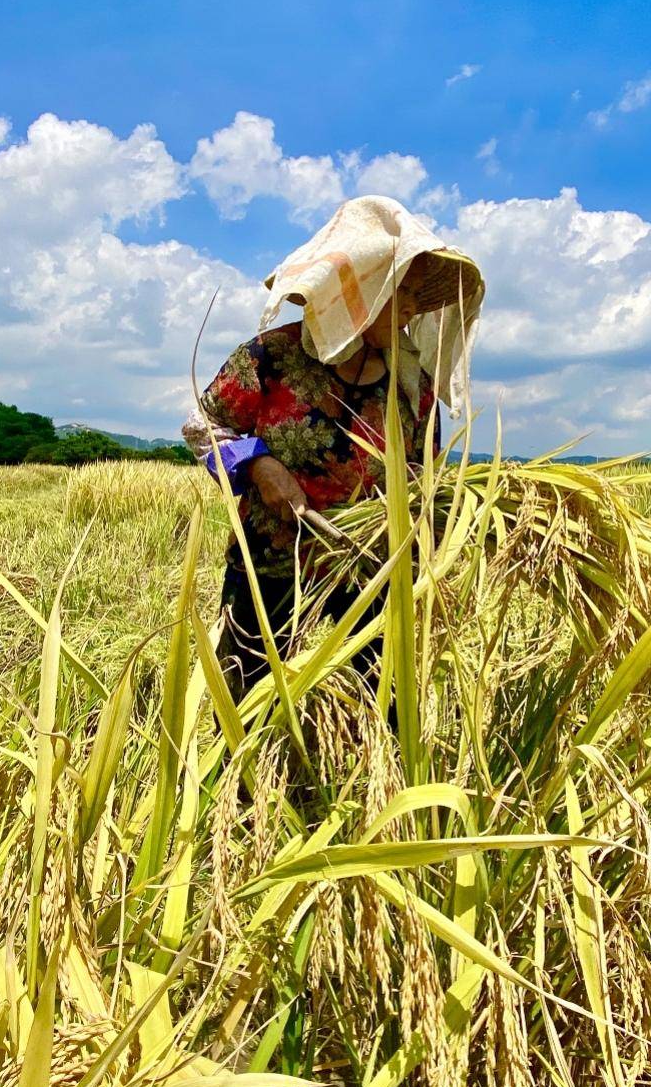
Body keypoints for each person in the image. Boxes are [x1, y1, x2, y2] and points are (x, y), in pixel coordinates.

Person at [183, 194, 484, 705]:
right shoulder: (272, 357)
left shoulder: (411, 382)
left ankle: (370, 779)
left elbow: (425, 473)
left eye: (416, 297)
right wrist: (259, 465)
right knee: (251, 698)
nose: (412, 309)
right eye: (401, 293)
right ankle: (248, 784)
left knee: (381, 700)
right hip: (274, 563)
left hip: (374, 571)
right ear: (362, 289)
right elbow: (203, 424)